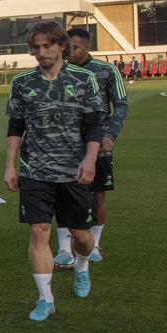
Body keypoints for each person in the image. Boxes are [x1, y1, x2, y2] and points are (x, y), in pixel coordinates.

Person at [4, 21, 105, 322]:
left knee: (82, 236)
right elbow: (15, 126)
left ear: (62, 46)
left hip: (74, 172)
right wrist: (10, 164)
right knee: (39, 232)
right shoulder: (22, 83)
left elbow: (94, 126)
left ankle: (82, 268)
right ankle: (45, 298)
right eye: (36, 47)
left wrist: (90, 160)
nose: (41, 52)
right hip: (34, 170)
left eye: (47, 46)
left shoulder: (85, 78)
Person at [52, 28, 128, 267]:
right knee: (63, 194)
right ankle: (64, 249)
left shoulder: (106, 70)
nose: (68, 52)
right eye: (66, 47)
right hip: (65, 144)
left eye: (74, 47)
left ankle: (94, 244)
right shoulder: (59, 71)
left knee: (97, 194)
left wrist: (111, 134)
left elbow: (121, 104)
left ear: (87, 47)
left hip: (98, 143)